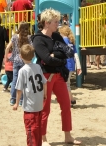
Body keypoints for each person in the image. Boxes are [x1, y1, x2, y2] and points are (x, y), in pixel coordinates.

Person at [32, 8, 81, 145]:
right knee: (45, 108)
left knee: (66, 105)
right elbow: (47, 59)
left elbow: (68, 52)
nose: (58, 24)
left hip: (59, 75)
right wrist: (59, 57)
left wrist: (57, 56)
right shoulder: (38, 39)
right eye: (55, 22)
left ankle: (68, 136)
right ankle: (43, 139)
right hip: (45, 76)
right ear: (47, 23)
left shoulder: (57, 36)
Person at [13, 44, 48, 146]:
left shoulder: (22, 70)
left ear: (21, 56)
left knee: (30, 131)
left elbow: (19, 89)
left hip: (29, 106)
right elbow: (44, 82)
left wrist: (16, 103)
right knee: (38, 130)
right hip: (39, 104)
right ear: (33, 56)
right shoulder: (37, 67)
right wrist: (45, 95)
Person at [6, 22, 32, 106]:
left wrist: (6, 57)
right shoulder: (28, 38)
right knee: (24, 81)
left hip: (16, 60)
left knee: (15, 80)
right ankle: (21, 100)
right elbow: (32, 48)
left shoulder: (14, 37)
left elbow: (7, 47)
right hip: (25, 60)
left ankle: (13, 99)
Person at [58, 25, 82, 106]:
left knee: (66, 84)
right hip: (71, 64)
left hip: (66, 65)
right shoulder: (71, 41)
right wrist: (78, 66)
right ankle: (71, 99)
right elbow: (75, 54)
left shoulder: (63, 40)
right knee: (67, 83)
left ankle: (70, 100)